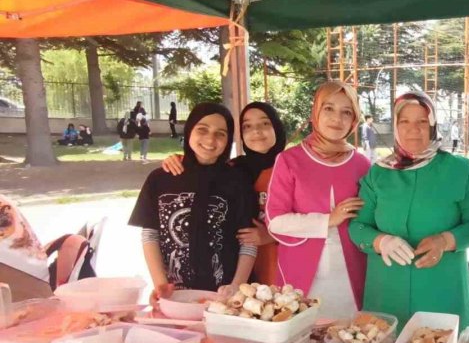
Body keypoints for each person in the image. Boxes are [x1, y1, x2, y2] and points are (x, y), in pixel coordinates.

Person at [350, 91, 469, 329]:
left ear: (432, 125)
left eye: (422, 121)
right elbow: (358, 226)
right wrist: (380, 241)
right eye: (405, 122)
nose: (414, 129)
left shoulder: (459, 170)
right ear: (396, 126)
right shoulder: (378, 173)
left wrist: (446, 240)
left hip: (442, 290)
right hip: (386, 293)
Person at [129, 102, 257, 300]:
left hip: (224, 297)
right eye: (202, 130)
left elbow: (248, 241)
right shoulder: (161, 178)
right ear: (189, 131)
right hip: (176, 295)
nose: (210, 139)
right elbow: (150, 234)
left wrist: (236, 286)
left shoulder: (237, 181)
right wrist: (161, 284)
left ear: (229, 139)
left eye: (221, 133)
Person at [266, 83, 370, 318]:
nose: (337, 118)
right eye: (329, 108)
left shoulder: (362, 164)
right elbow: (275, 221)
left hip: (350, 277)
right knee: (300, 342)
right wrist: (328, 220)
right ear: (316, 111)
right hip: (300, 275)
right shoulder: (289, 160)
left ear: (354, 119)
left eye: (347, 112)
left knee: (349, 342)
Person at [160, 102, 289, 287]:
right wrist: (179, 161)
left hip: (280, 264)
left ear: (277, 127)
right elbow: (202, 169)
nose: (256, 131)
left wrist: (271, 236)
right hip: (234, 268)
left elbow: (313, 220)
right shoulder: (233, 170)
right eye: (247, 126)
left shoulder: (293, 169)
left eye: (265, 123)